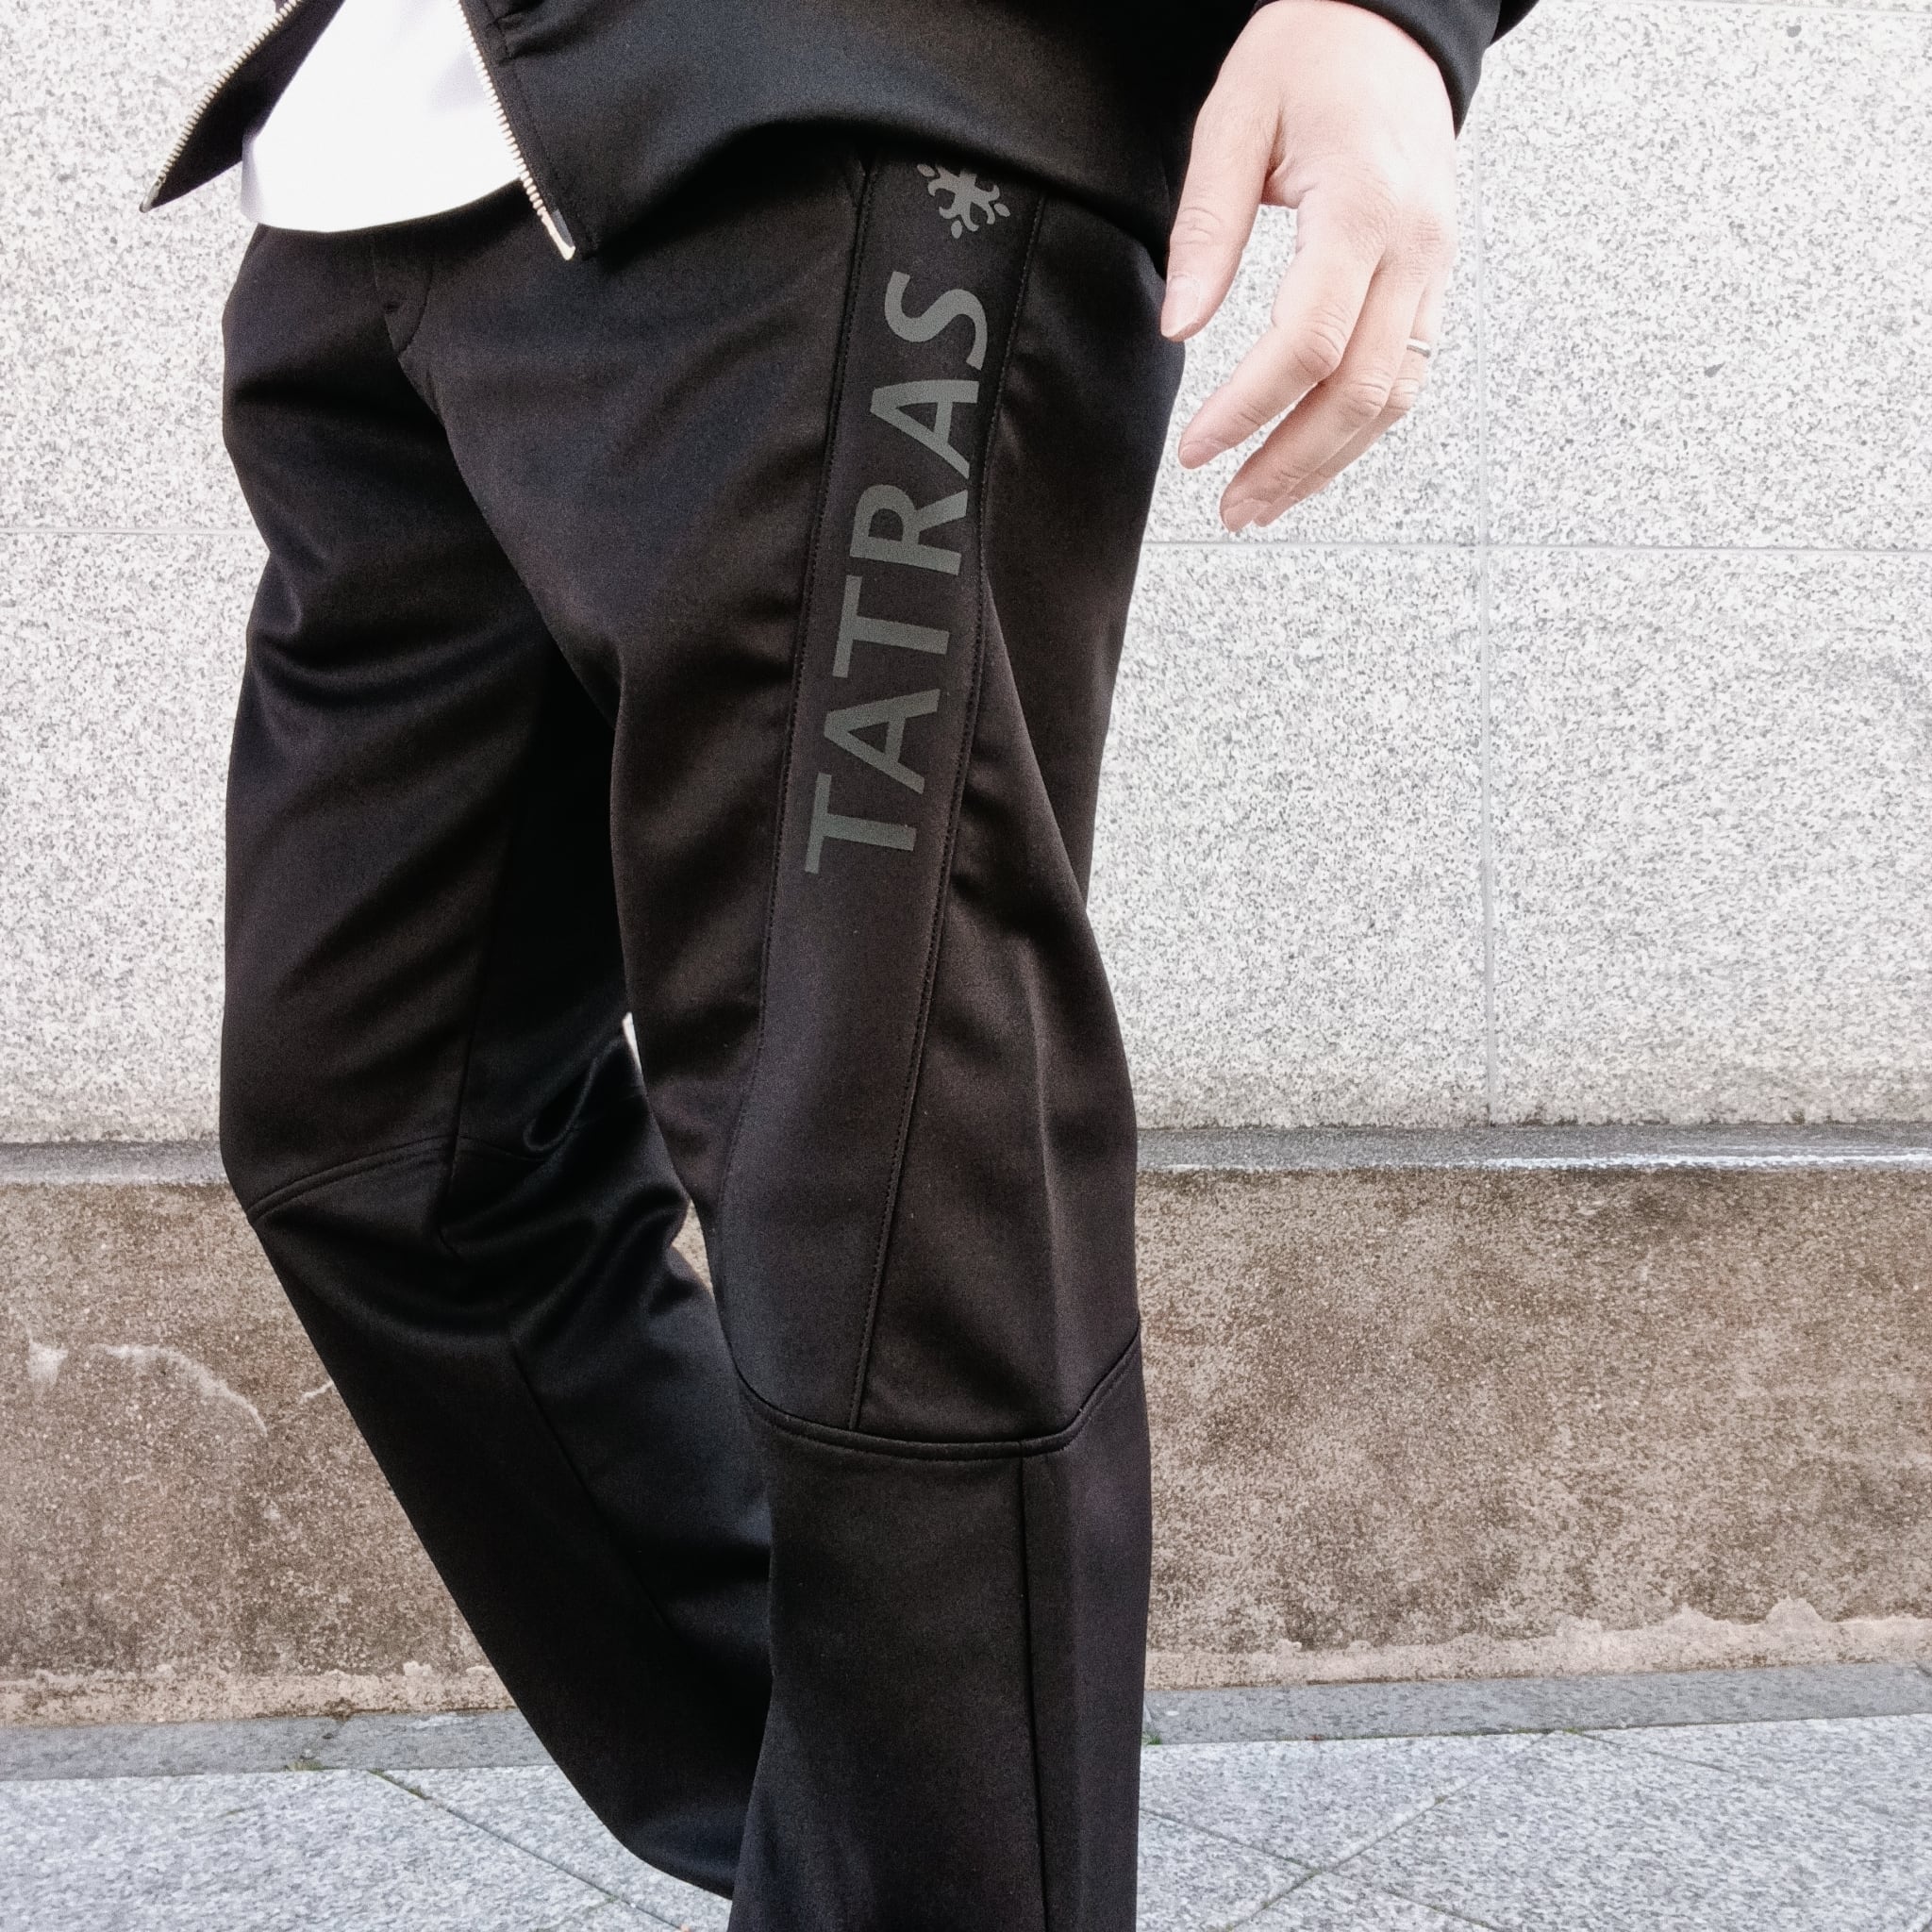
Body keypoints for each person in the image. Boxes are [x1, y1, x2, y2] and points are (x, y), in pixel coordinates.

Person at [144, 0, 1533, 1922]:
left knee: (881, 1204)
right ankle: (908, 1855)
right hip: (384, 199)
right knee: (379, 1145)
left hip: (838, 137)